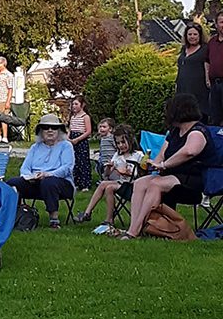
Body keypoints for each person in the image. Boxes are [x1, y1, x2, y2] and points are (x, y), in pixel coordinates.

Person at [120, 93, 214, 240]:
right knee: (140, 183)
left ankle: (135, 231)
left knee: (156, 184)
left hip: (193, 179)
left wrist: (164, 165)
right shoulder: (174, 132)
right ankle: (135, 226)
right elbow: (162, 154)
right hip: (170, 176)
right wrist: (153, 166)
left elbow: (189, 152)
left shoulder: (199, 131)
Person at [7, 113, 75, 229]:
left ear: (59, 130)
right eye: (45, 127)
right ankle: (15, 216)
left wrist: (48, 174)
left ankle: (54, 220)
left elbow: (67, 168)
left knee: (49, 182)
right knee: (12, 182)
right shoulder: (35, 147)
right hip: (36, 182)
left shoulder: (66, 146)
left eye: (53, 127)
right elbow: (25, 167)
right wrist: (30, 177)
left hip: (61, 183)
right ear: (40, 131)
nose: (50, 130)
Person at [75, 125, 142, 226]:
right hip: (121, 183)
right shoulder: (117, 155)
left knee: (110, 187)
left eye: (123, 142)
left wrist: (122, 171)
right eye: (118, 143)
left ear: (131, 140)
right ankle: (87, 213)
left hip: (133, 186)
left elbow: (137, 174)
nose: (121, 145)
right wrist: (109, 168)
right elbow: (106, 175)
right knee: (103, 184)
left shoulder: (138, 155)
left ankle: (109, 219)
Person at [177, 22, 209, 122]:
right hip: (183, 90)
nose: (192, 37)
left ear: (200, 36)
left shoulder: (205, 49)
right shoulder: (183, 49)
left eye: (195, 34)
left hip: (199, 91)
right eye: (190, 34)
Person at [68, 95, 93, 191]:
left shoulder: (85, 117)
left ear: (82, 105)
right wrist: (68, 137)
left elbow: (88, 131)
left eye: (76, 104)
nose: (74, 106)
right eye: (73, 104)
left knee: (83, 161)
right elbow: (70, 129)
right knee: (75, 161)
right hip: (72, 139)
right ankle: (76, 182)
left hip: (81, 140)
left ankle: (85, 183)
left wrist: (78, 139)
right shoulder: (73, 117)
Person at [205, 11, 223, 126]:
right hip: (214, 85)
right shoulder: (212, 42)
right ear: (216, 24)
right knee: (215, 117)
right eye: (222, 22)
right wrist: (207, 78)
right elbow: (207, 61)